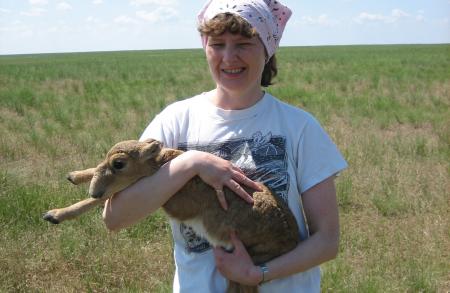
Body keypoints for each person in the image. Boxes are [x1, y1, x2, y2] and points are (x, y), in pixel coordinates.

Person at [102, 0, 348, 292]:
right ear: (205, 47)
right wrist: (190, 163)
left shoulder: (299, 127)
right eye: (217, 44)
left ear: (268, 50)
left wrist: (258, 274)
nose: (229, 57)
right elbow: (115, 218)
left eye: (243, 44)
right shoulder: (175, 122)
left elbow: (327, 241)